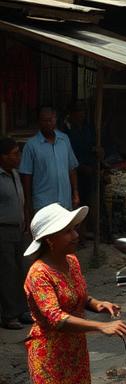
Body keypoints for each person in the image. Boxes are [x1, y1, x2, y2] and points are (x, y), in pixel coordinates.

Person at [22, 203, 126, 384]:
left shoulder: (71, 261)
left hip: (76, 351)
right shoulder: (39, 273)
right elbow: (56, 318)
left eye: (74, 229)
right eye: (68, 232)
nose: (76, 236)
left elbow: (78, 296)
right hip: (50, 356)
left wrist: (98, 304)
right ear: (50, 239)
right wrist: (101, 326)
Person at [19, 108, 78, 225]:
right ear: (39, 122)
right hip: (43, 205)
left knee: (63, 239)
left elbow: (71, 169)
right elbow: (26, 176)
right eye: (44, 120)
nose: (48, 123)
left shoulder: (64, 139)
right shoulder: (31, 145)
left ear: (55, 120)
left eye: (50, 120)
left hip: (64, 203)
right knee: (47, 240)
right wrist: (28, 204)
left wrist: (75, 193)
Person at [0, 138, 30, 329]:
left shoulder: (15, 174)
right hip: (3, 230)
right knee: (7, 273)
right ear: (3, 157)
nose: (18, 157)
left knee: (21, 270)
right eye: (14, 154)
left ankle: (21, 311)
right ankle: (9, 315)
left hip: (18, 228)